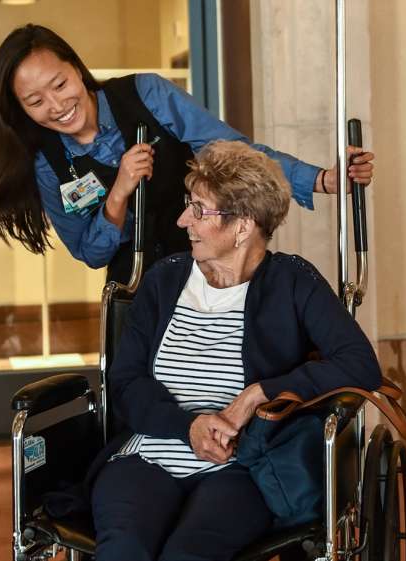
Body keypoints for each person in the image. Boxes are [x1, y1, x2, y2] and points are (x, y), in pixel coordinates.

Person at [89, 140, 382, 561]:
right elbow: (126, 382)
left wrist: (258, 394)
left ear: (243, 225)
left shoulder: (293, 283)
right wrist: (187, 426)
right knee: (124, 549)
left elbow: (360, 364)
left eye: (199, 210)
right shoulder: (164, 281)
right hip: (148, 455)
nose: (182, 220)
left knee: (190, 554)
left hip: (242, 468)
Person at [0, 24, 375, 283]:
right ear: (22, 109)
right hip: (137, 293)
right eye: (35, 100)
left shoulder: (146, 94)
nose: (56, 105)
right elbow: (91, 253)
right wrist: (119, 194)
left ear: (76, 70)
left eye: (59, 84)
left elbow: (234, 152)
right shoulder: (49, 162)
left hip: (213, 274)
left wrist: (322, 180)